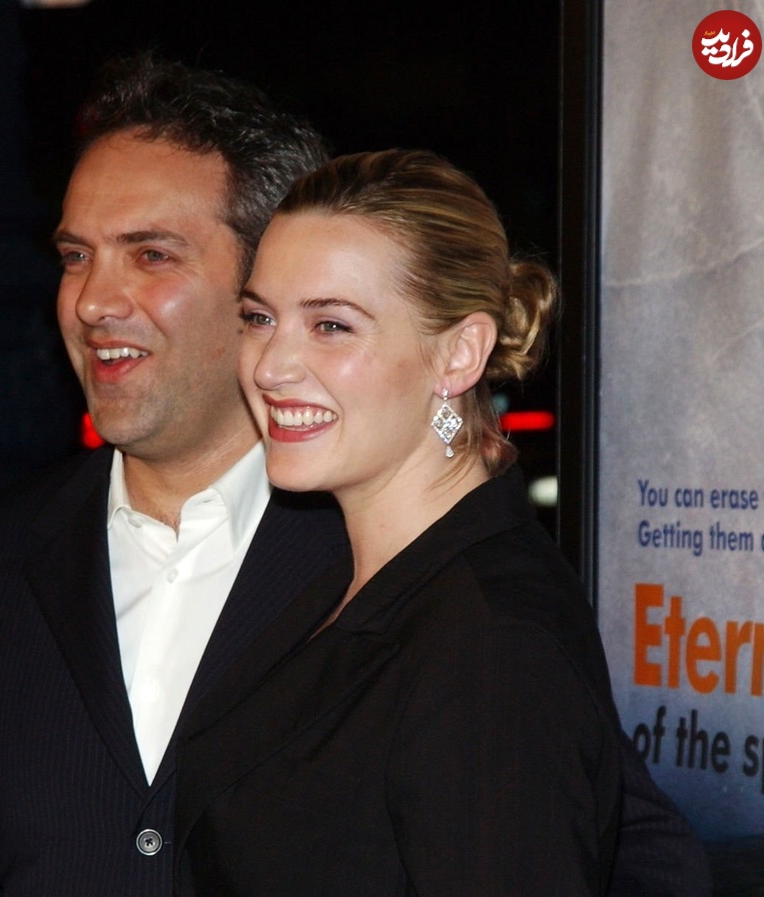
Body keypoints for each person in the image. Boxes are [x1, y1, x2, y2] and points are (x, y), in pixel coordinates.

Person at [0, 56, 709, 897]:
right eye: (74, 256)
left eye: (152, 254)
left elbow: (632, 853)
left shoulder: (426, 580)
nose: (94, 300)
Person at [173, 149, 708, 896]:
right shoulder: (348, 576)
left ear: (459, 354)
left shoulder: (490, 642)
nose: (270, 365)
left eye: (331, 325)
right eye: (260, 317)